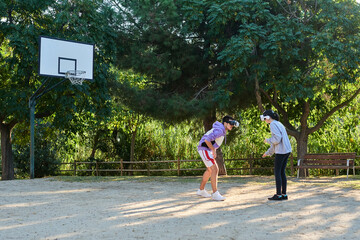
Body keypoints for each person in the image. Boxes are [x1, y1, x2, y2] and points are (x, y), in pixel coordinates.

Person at [196, 115, 239, 201]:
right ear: (225, 123)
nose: (231, 125)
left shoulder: (221, 130)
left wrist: (212, 150)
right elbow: (207, 140)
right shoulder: (219, 130)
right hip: (205, 148)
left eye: (232, 124)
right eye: (230, 123)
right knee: (215, 169)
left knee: (210, 170)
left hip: (205, 149)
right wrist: (213, 150)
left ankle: (201, 190)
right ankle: (215, 193)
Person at [261, 109, 292, 201]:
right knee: (282, 172)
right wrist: (268, 153)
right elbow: (276, 141)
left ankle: (278, 195)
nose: (264, 120)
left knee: (277, 172)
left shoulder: (273, 124)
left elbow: (276, 140)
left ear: (267, 117)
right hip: (287, 150)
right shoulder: (279, 123)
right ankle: (284, 194)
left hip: (281, 152)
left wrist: (267, 140)